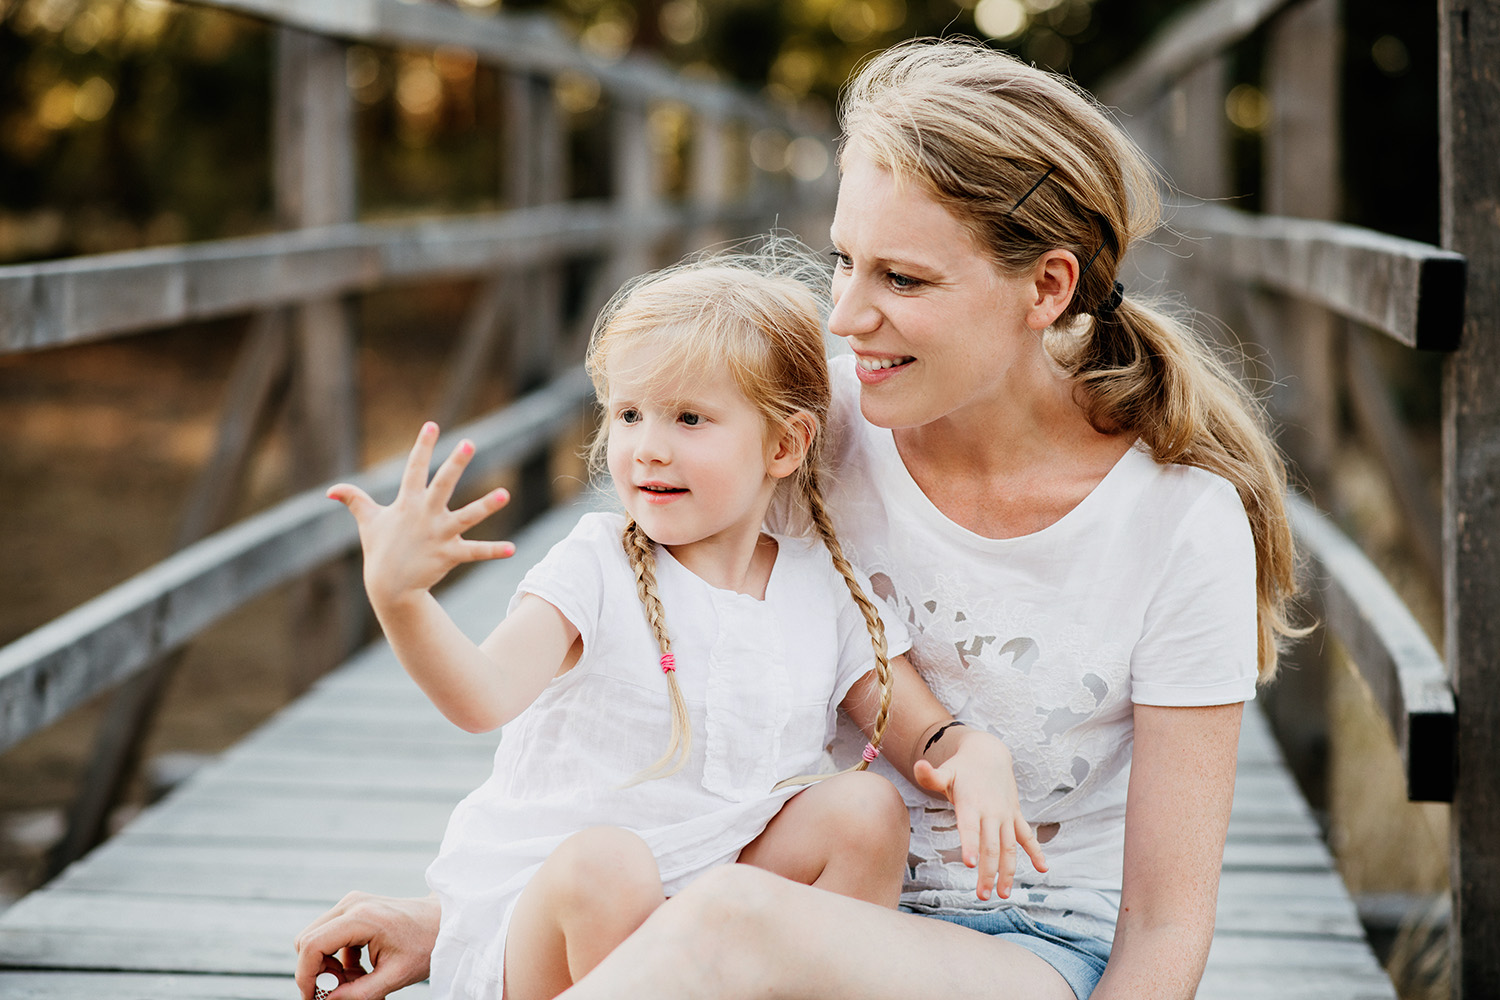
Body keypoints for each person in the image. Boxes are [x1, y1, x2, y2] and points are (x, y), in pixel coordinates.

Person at [296, 35, 1302, 1000]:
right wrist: (464, 924)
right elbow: (648, 676)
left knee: (741, 917)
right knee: (785, 872)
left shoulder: (1179, 521)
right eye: (843, 260)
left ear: (1047, 287)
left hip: (1020, 954)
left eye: (901, 278)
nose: (844, 316)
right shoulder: (808, 422)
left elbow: (1169, 927)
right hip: (776, 900)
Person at [306, 248, 1047, 1000]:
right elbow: (481, 696)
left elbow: (917, 734)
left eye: (689, 418)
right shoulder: (596, 565)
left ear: (784, 445)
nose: (648, 446)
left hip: (718, 908)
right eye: (629, 414)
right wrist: (402, 601)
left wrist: (972, 751)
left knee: (865, 809)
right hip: (552, 923)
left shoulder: (823, 588)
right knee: (609, 865)